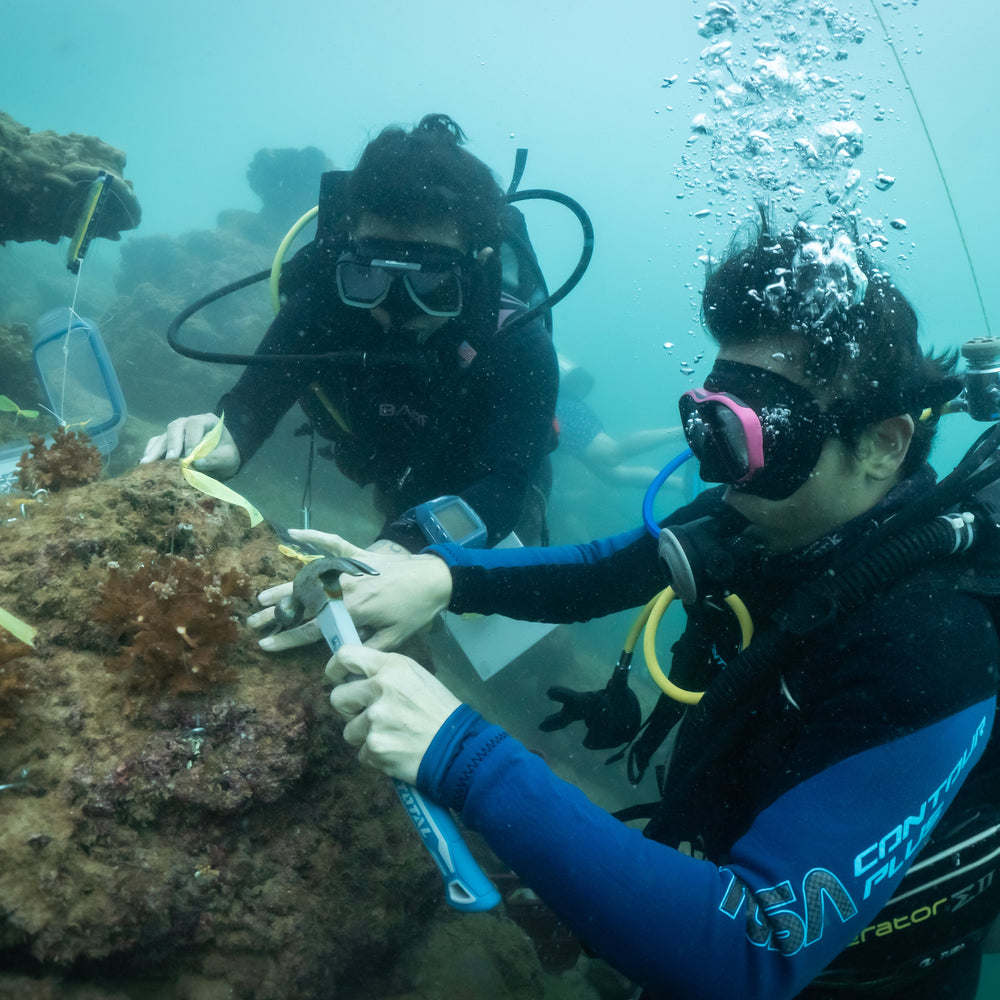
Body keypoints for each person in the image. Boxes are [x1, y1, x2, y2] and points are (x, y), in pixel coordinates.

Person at [254, 214, 1000, 999]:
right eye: (712, 425)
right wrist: (439, 575)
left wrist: (460, 752)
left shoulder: (930, 643)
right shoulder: (768, 519)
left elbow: (750, 952)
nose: (726, 472)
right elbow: (600, 572)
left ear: (882, 444)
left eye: (760, 435)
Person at [141, 114, 558, 551]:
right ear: (346, 248)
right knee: (398, 512)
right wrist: (221, 438)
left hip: (485, 496)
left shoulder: (514, 341)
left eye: (431, 285)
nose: (395, 308)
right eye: (368, 277)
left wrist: (401, 545)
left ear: (478, 272)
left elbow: (504, 487)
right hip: (391, 472)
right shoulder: (322, 304)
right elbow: (253, 403)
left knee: (485, 588)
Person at [556, 353, 684, 488]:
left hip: (558, 407)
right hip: (555, 406)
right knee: (614, 476)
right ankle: (681, 485)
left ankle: (682, 432)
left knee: (610, 454)